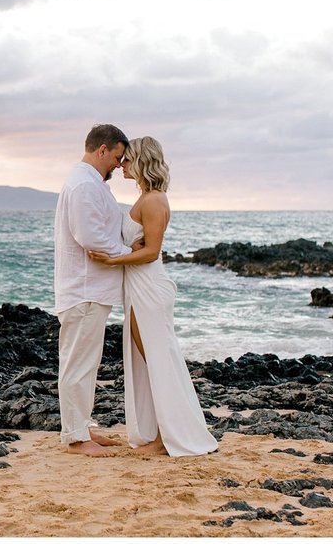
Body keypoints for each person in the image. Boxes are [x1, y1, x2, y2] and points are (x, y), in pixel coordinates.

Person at [88, 137, 218, 457]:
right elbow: (141, 246)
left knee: (160, 363)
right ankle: (160, 433)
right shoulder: (146, 197)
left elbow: (151, 253)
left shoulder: (154, 200)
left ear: (142, 161)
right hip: (139, 289)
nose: (122, 166)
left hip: (150, 288)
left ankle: (166, 438)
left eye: (128, 161)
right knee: (151, 363)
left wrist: (113, 260)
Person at [54, 123, 137, 457]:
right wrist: (131, 256)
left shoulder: (89, 183)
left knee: (86, 363)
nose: (119, 165)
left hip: (90, 289)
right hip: (84, 289)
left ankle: (81, 426)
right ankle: (76, 438)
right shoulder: (83, 185)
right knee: (78, 364)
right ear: (102, 150)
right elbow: (90, 238)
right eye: (117, 157)